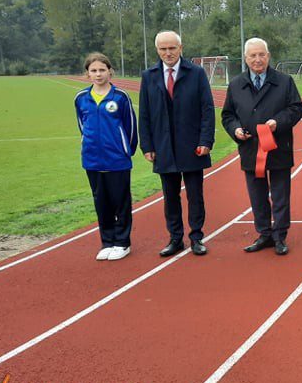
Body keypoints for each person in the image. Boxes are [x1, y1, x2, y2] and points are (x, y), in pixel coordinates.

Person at [221, 38, 302, 256]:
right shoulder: (236, 84)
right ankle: (264, 233)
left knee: (280, 195)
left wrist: (278, 122)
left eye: (261, 55)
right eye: (253, 56)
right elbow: (228, 115)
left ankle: (280, 236)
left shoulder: (285, 81)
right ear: (246, 58)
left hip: (278, 146)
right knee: (256, 195)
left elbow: (296, 109)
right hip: (250, 148)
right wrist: (236, 129)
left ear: (268, 56)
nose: (257, 59)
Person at [139, 31, 215, 257]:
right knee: (169, 196)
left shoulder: (197, 73)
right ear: (157, 51)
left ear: (180, 48)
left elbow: (207, 110)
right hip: (163, 146)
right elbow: (144, 113)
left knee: (195, 195)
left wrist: (205, 140)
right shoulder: (149, 76)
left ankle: (197, 237)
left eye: (172, 48)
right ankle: (175, 238)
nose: (168, 53)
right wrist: (147, 146)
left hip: (192, 145)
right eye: (163, 49)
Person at [75, 53, 138, 261]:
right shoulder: (81, 98)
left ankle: (122, 242)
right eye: (93, 70)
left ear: (110, 71)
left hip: (117, 160)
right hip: (92, 160)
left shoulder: (120, 96)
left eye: (102, 70)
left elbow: (130, 128)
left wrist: (125, 150)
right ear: (87, 74)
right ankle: (107, 241)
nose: (98, 74)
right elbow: (82, 127)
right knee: (101, 202)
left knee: (120, 201)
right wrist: (89, 146)